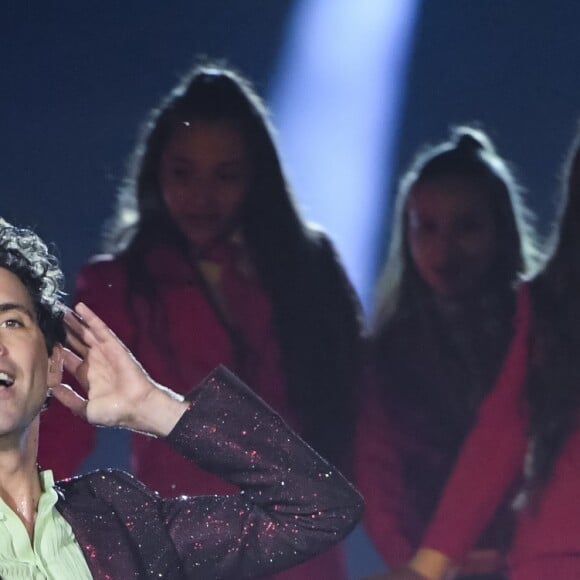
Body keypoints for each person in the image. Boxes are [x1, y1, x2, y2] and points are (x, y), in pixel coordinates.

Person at [38, 61, 363, 579]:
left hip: (301, 544)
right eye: (182, 172)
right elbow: (65, 417)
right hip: (191, 543)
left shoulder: (308, 269)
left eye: (226, 175)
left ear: (257, 177)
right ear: (155, 173)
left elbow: (354, 413)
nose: (202, 196)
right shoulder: (117, 281)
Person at [0, 216, 363, 578]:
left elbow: (320, 510)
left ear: (52, 362)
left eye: (10, 322)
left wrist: (154, 406)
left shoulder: (119, 519)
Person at [380, 125, 580, 580]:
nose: (445, 248)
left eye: (467, 227)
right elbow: (503, 428)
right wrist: (429, 563)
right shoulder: (550, 303)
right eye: (426, 228)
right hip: (553, 554)